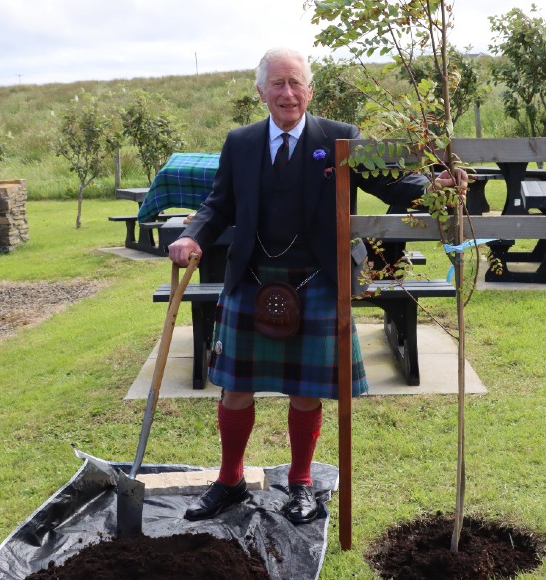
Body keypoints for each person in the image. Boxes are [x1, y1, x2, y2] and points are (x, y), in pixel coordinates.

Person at [168, 48, 467, 524]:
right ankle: (229, 481)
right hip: (251, 278)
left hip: (317, 280)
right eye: (278, 84)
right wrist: (190, 235)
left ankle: (302, 483)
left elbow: (390, 183)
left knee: (305, 391)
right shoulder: (241, 142)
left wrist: (435, 185)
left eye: (296, 83)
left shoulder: (339, 138)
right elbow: (218, 204)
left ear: (311, 89)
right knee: (234, 388)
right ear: (260, 91)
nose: (288, 94)